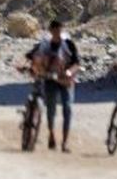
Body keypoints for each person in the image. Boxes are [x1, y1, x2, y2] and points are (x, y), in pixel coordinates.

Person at [26, 20, 80, 152]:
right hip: (50, 79)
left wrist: (69, 72)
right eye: (54, 30)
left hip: (66, 80)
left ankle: (65, 142)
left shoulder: (68, 44)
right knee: (51, 110)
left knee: (67, 108)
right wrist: (31, 66)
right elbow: (31, 56)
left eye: (59, 30)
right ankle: (51, 134)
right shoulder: (44, 44)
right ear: (50, 31)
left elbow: (76, 63)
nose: (57, 33)